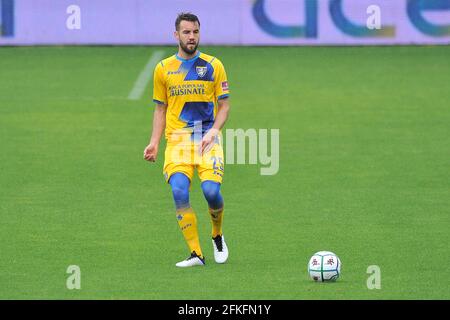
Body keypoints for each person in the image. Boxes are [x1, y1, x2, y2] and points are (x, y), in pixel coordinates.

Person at [143, 13, 231, 267]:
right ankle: (196, 254)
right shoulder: (163, 69)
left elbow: (224, 106)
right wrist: (154, 142)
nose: (191, 37)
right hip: (178, 141)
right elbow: (160, 109)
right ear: (176, 35)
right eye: (186, 32)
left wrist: (215, 130)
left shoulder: (214, 65)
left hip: (207, 139)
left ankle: (217, 234)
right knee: (179, 191)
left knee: (211, 191)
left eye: (195, 32)